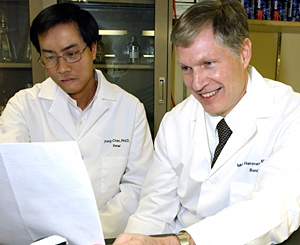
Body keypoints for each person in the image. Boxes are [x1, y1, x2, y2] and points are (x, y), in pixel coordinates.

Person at [113, 0, 300, 244]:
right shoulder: (175, 122)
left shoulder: (290, 113)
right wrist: (136, 239)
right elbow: (154, 211)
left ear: (244, 53)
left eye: (208, 64)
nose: (197, 83)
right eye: (186, 68)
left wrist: (181, 241)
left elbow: (275, 207)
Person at [0, 3, 153, 239]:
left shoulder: (130, 109)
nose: (62, 68)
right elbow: (9, 181)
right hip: (43, 238)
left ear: (92, 49)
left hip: (108, 237)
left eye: (72, 54)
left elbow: (138, 186)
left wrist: (89, 231)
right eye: (50, 57)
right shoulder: (23, 107)